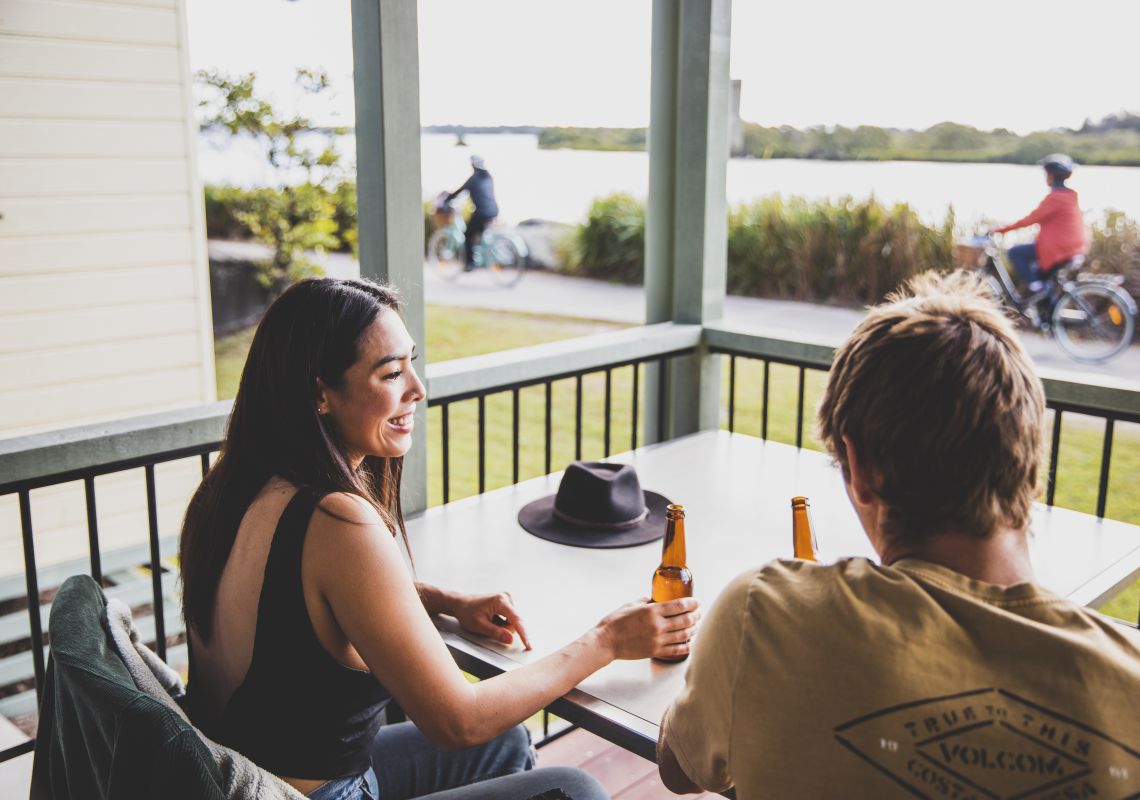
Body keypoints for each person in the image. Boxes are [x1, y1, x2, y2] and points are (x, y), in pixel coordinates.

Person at [179, 277, 700, 800]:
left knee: (509, 744)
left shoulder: (229, 489)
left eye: (411, 362)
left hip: (248, 771)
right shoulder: (336, 521)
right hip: (321, 793)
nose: (418, 389)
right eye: (390, 373)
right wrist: (608, 639)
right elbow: (457, 722)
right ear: (320, 393)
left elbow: (295, 612)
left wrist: (440, 600)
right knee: (575, 789)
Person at [656, 271, 1140, 799]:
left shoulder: (765, 615)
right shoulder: (1127, 686)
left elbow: (678, 771)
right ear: (1027, 454)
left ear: (860, 469)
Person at [990, 153, 1089, 298]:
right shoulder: (1070, 196)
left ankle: (1035, 287)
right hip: (1072, 247)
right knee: (1041, 275)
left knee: (1015, 253)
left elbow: (1030, 220)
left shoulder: (1056, 198)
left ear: (1050, 176)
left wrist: (1001, 230)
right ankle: (1045, 307)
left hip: (1059, 249)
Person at [445, 155, 499, 271]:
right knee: (480, 233)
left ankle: (470, 264)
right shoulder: (489, 177)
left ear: (473, 165)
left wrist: (448, 198)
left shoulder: (474, 179)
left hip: (481, 213)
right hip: (493, 211)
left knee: (468, 235)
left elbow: (460, 190)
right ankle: (481, 254)